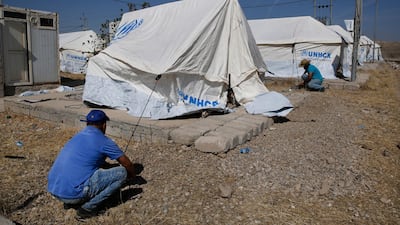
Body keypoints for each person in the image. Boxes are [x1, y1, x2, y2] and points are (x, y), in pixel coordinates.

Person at [47, 109, 137, 220]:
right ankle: (87, 209)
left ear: (87, 123)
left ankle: (71, 201)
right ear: (104, 125)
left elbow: (91, 161)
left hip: (55, 189)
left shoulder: (77, 137)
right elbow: (127, 164)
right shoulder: (104, 141)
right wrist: (132, 175)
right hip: (73, 195)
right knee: (122, 172)